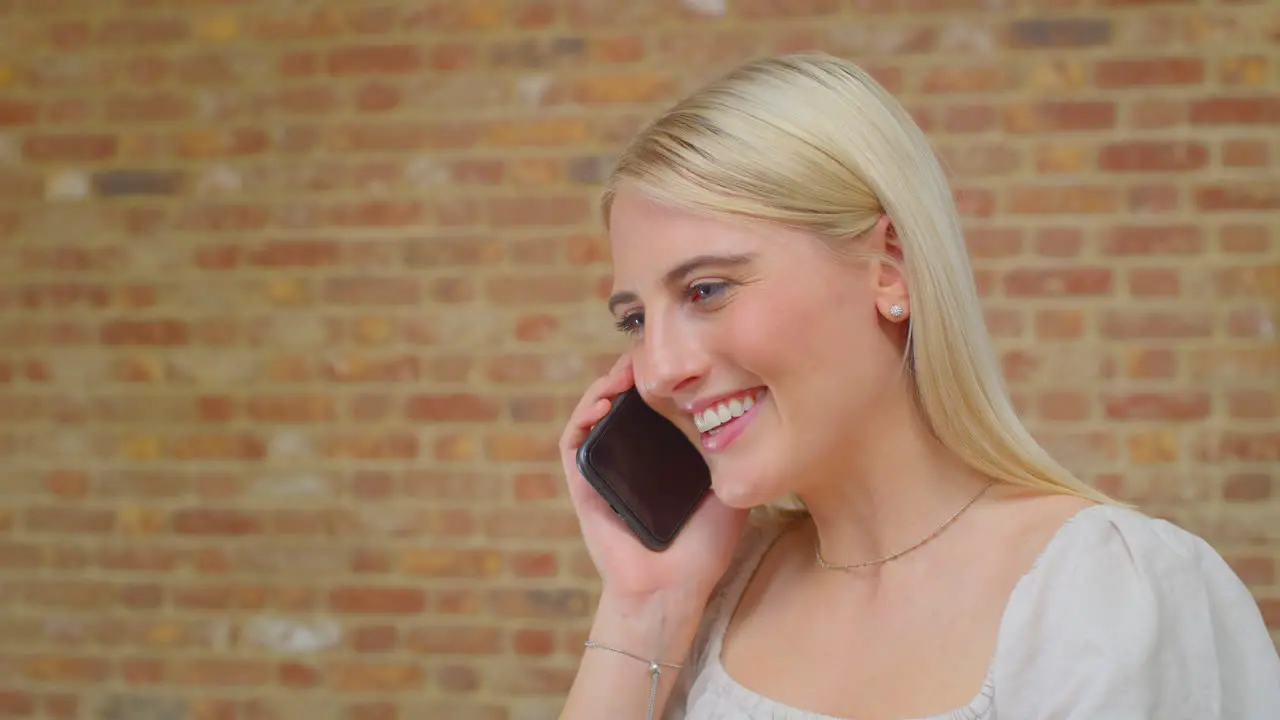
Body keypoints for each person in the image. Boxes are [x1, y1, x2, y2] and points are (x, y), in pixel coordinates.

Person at [556, 53, 1280, 720]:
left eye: (707, 289)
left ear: (889, 269)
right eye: (635, 320)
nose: (656, 371)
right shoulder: (706, 603)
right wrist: (643, 606)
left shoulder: (1109, 596)